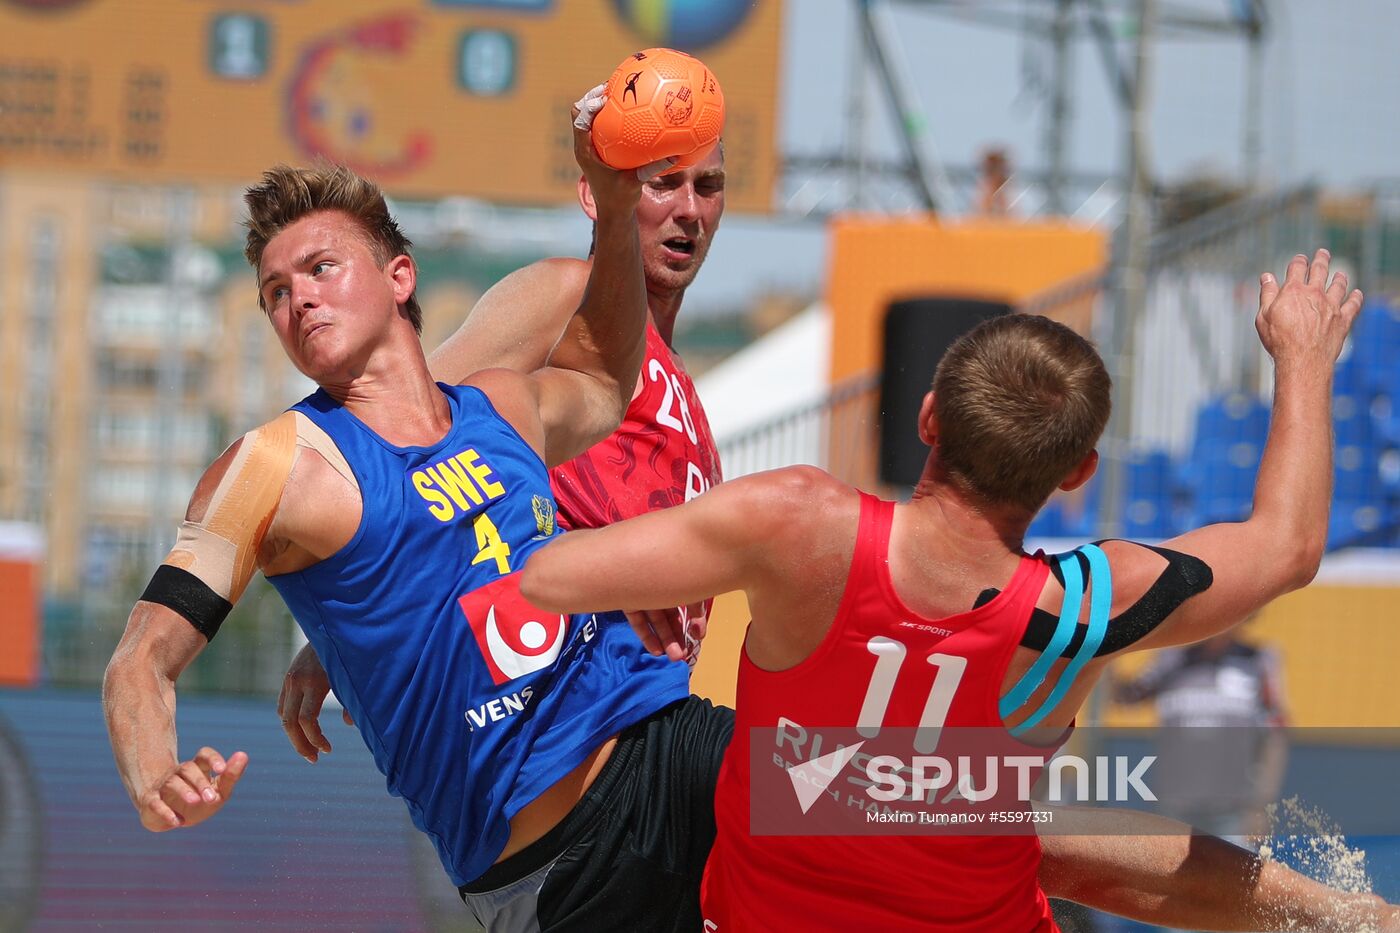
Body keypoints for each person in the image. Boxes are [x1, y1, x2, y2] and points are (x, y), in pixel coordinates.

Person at [522, 251, 1394, 930]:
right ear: (1079, 473)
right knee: (1017, 813)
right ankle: (1351, 914)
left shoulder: (801, 524)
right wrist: (1304, 356)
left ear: (928, 416)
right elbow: (1287, 546)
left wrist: (627, 550)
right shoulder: (1086, 603)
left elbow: (542, 575)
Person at [101, 93, 734, 933]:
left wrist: (616, 204)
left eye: (321, 268)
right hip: (558, 866)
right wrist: (154, 780)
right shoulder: (274, 467)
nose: (299, 300)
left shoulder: (501, 407)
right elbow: (140, 660)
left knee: (904, 794)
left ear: (400, 276)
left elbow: (610, 379)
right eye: (275, 292)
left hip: (672, 749)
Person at [273, 137, 729, 759]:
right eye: (664, 183)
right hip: (572, 721)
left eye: (707, 187)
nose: (689, 210)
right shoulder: (566, 294)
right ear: (597, 195)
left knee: (854, 799)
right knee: (847, 789)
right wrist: (344, 631)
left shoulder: (680, 382)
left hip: (645, 719)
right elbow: (405, 438)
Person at [1115, 623, 1290, 840]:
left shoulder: (1258, 661)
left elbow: (1275, 738)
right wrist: (1108, 648)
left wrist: (1260, 803)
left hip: (1233, 809)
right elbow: (1124, 696)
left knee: (1232, 873)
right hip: (1175, 804)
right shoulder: (1171, 659)